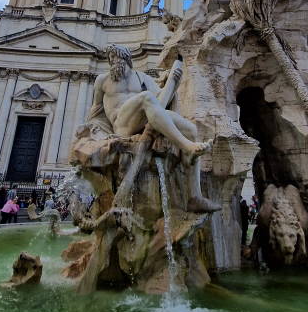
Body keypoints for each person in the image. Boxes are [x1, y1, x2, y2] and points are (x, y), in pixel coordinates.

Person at [84, 44, 219, 213]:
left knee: (191, 130)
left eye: (117, 57)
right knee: (147, 97)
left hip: (145, 118)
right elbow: (96, 110)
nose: (113, 61)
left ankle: (195, 197)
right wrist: (94, 132)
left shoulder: (142, 78)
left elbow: (161, 101)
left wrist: (173, 83)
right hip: (121, 125)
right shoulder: (103, 80)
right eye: (111, 58)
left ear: (127, 58)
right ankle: (187, 147)